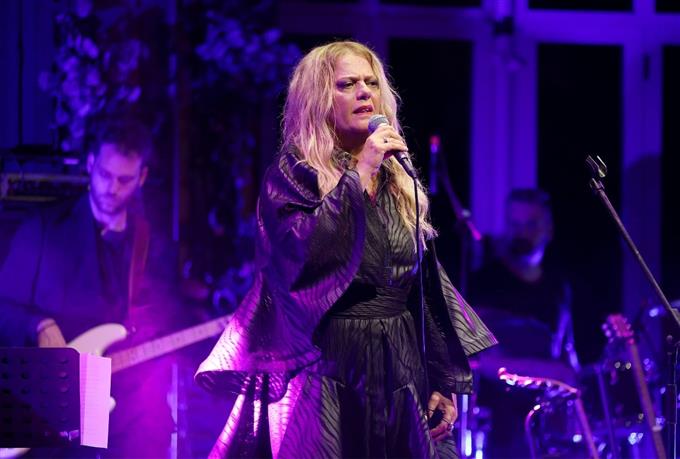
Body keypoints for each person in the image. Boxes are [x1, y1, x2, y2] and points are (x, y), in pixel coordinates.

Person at [195, 40, 497, 458]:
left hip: (400, 367)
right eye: (347, 84)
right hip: (325, 367)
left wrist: (440, 380)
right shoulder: (293, 174)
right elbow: (302, 254)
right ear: (318, 99)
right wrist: (360, 171)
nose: (364, 92)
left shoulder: (397, 181)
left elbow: (422, 286)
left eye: (371, 83)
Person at [0, 120, 176, 458]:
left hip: (131, 411)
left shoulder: (151, 242)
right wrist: (39, 324)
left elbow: (167, 315)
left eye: (124, 180)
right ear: (91, 163)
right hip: (58, 407)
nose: (112, 188)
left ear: (141, 177)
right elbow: (3, 308)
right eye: (105, 175)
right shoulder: (43, 228)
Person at [467, 188, 580, 457]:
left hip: (548, 416)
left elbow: (566, 351)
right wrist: (548, 372)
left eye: (530, 225)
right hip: (501, 419)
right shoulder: (486, 281)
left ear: (548, 229)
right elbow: (477, 358)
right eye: (514, 225)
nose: (520, 233)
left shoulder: (558, 286)